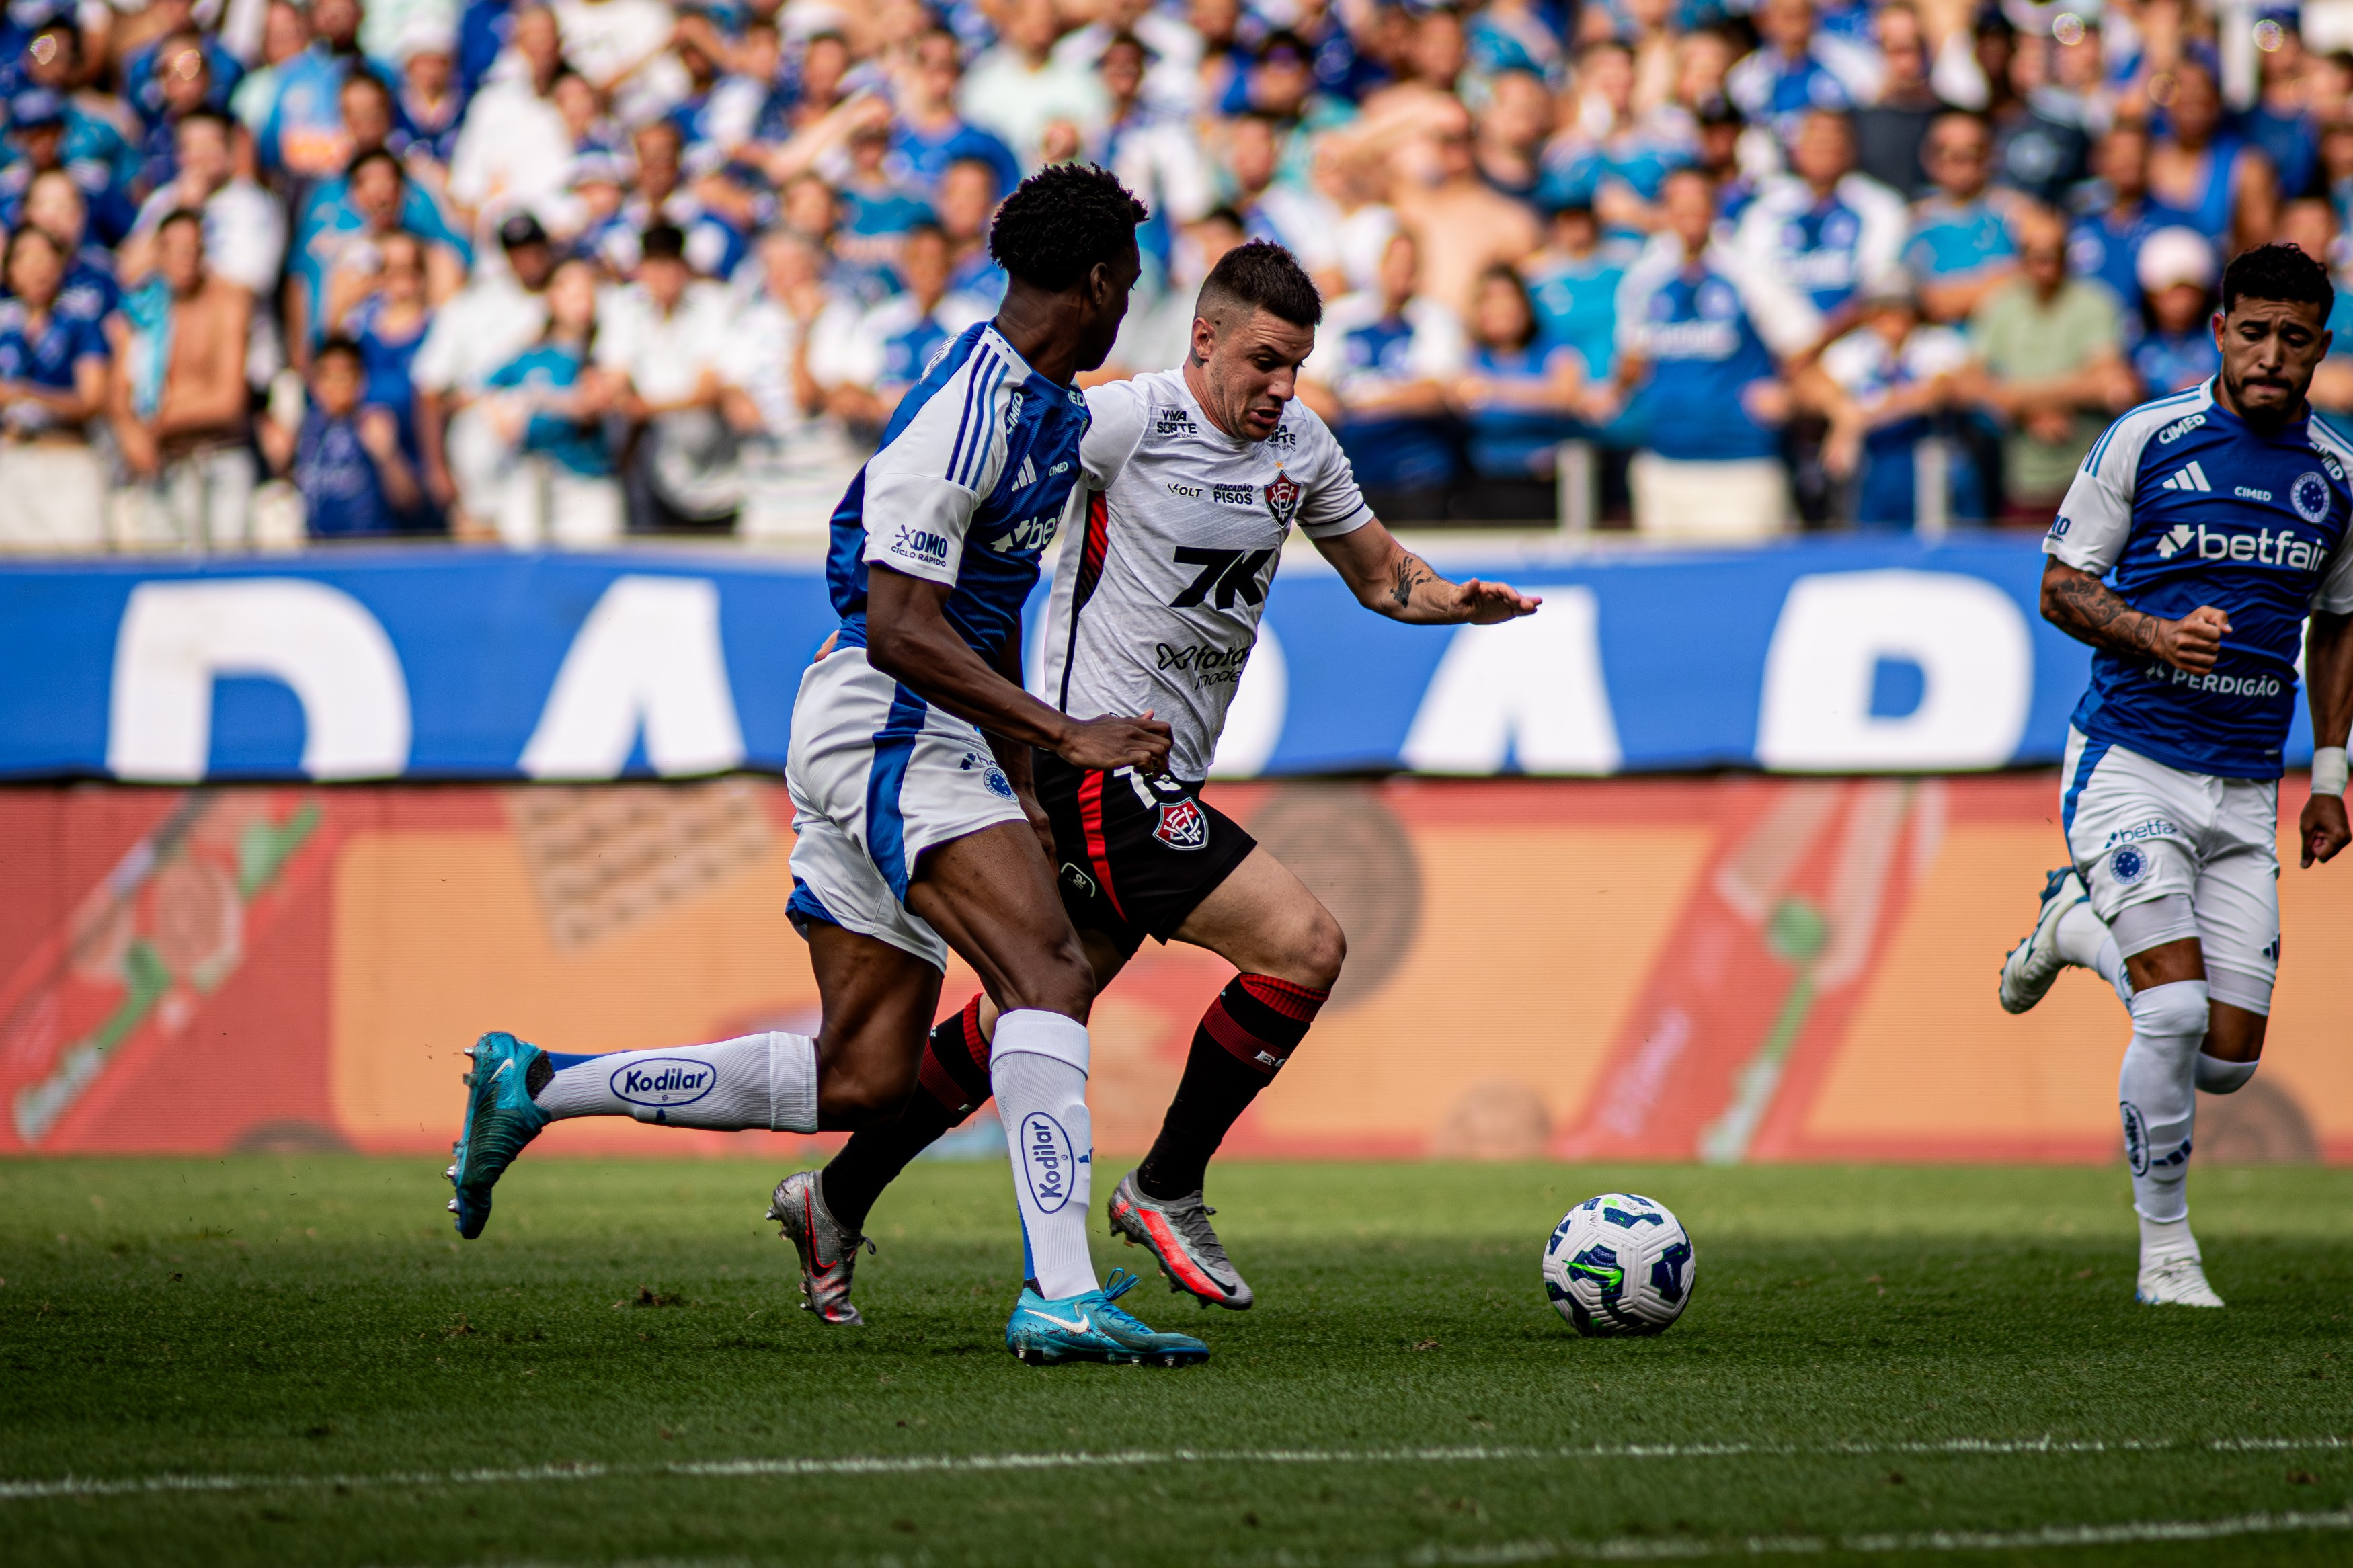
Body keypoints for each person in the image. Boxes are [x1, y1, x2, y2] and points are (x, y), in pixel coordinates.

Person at [442, 163, 1215, 1370]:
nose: (1134, 303)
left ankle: (537, 1084)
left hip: (916, 727)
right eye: (1133, 280)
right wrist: (1063, 738)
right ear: (1105, 280)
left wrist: (1021, 781)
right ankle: (1060, 1293)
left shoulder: (1050, 408)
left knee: (863, 1072)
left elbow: (988, 612)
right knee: (1049, 970)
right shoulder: (969, 406)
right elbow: (903, 623)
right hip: (888, 715)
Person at [785, 241, 1538, 1323]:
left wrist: (1452, 601)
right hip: (1097, 764)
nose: (1282, 388)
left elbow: (1381, 576)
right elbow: (996, 463)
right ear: (1206, 337)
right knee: (1305, 946)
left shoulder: (1305, 448)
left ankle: (835, 1197)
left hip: (1164, 771)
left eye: (1298, 367)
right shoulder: (1128, 420)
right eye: (1267, 361)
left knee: (1029, 1012)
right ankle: (1166, 1186)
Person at [1997, 241, 2353, 1310]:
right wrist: (2153, 632)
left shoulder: (2336, 476)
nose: (2270, 355)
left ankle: (2073, 928)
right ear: (2220, 332)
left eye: (2294, 338)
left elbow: (2338, 628)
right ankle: (2166, 1255)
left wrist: (2329, 774)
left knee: (2229, 1057)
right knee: (2176, 1013)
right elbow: (2063, 587)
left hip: (2247, 787)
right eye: (2253, 331)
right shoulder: (2148, 440)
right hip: (2130, 762)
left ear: (2319, 348)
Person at [1609, 165, 1821, 538]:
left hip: (1741, 466)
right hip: (1665, 464)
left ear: (1715, 209)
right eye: (1678, 204)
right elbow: (1632, 359)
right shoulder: (1644, 279)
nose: (1689, 214)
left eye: (1698, 203)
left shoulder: (1746, 272)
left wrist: (1786, 393)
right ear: (1664, 211)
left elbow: (1803, 339)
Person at [1960, 203, 2133, 526]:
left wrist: (2018, 399)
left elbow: (2112, 383)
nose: (2047, 267)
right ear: (2021, 258)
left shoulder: (2096, 302)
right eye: (2036, 256)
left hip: (2087, 478)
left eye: (2055, 254)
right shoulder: (1999, 306)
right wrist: (2038, 410)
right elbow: (1970, 382)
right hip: (2022, 482)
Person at [105, 208, 253, 549]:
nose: (184, 260)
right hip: (165, 465)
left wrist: (159, 425)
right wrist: (131, 433)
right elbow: (118, 391)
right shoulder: (144, 310)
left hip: (218, 458)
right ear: (158, 253)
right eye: (175, 249)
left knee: (228, 581)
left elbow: (228, 402)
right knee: (165, 577)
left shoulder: (228, 303)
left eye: (193, 249)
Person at [1298, 228, 1466, 522]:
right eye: (1394, 263)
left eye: (1409, 266)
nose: (1400, 274)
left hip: (1418, 473)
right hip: (1348, 473)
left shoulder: (1437, 319)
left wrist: (1356, 406)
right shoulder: (1342, 316)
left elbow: (1435, 394)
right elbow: (1305, 385)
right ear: (1378, 266)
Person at [473, 255, 621, 544]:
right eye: (574, 293)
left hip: (586, 481)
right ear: (552, 298)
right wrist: (501, 417)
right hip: (534, 478)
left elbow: (594, 404)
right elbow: (482, 386)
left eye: (590, 292)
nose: (584, 303)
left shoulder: (606, 348)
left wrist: (540, 399)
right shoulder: (529, 354)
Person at [1734, 108, 1909, 321]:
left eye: (1834, 136)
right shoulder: (1765, 211)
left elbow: (1879, 282)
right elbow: (1755, 282)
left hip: (1855, 339)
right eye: (1815, 136)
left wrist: (1822, 341)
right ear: (1796, 149)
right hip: (1781, 342)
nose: (1825, 144)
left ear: (1851, 148)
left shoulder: (1881, 205)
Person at [0, 224, 109, 550]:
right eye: (26, 258)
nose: (38, 268)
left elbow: (92, 399)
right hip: (12, 464)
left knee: (78, 572)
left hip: (67, 463)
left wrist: (26, 393)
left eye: (45, 258)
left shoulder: (79, 320)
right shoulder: (6, 325)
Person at [1451, 263, 1590, 519]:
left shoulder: (1552, 348)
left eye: (1507, 297)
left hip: (1543, 484)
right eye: (1489, 299)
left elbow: (1567, 396)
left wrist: (1494, 389)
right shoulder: (1471, 354)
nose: (1500, 308)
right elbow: (1458, 395)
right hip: (1485, 485)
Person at [260, 335, 422, 538]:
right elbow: (292, 496)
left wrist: (388, 456)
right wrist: (280, 462)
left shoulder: (374, 423)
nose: (336, 386)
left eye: (344, 375)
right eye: (327, 376)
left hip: (370, 551)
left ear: (361, 379)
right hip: (318, 554)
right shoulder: (304, 431)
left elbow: (409, 502)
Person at [2128, 227, 2221, 397]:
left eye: (2190, 290)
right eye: (2169, 290)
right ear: (2150, 294)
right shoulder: (2133, 338)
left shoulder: (2221, 332)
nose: (2182, 302)